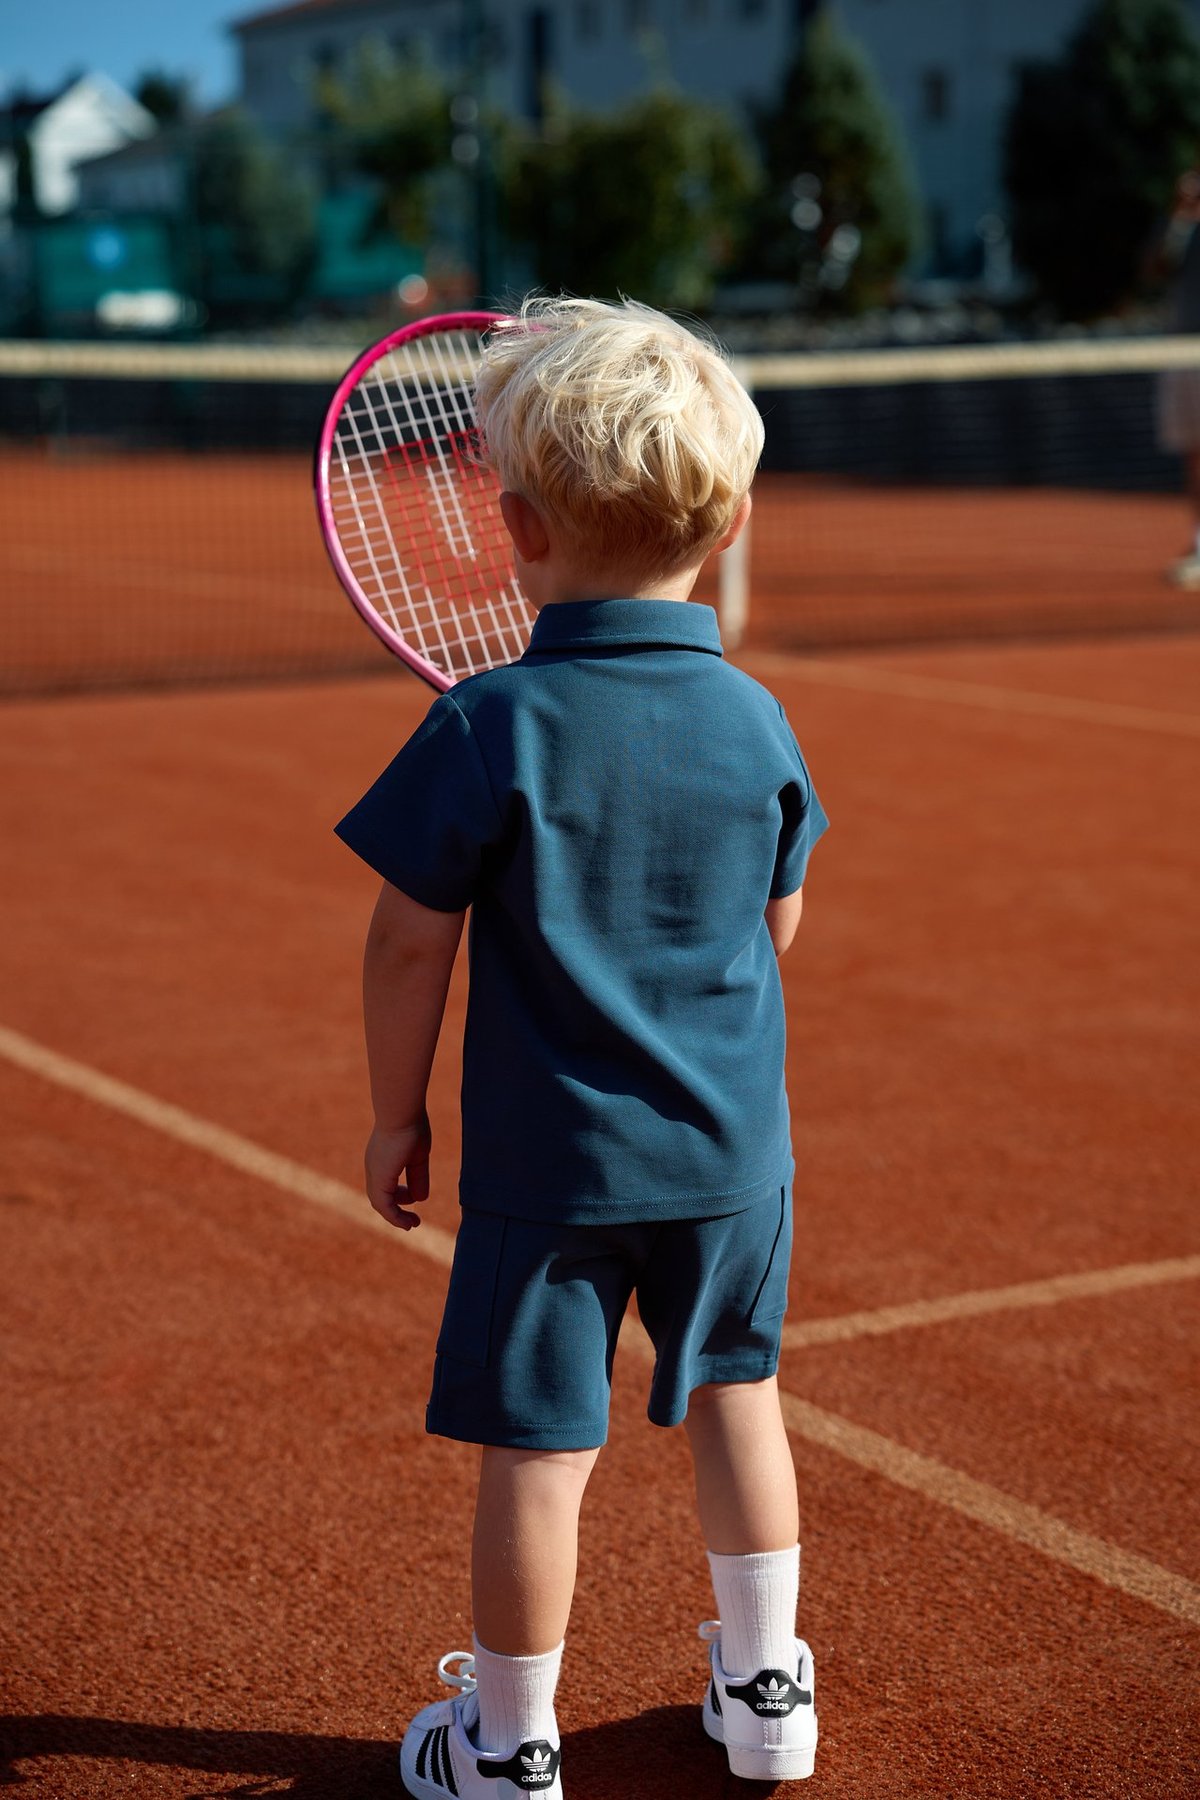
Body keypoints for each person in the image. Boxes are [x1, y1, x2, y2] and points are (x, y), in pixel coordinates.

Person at [334, 296, 828, 1799]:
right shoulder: (759, 721)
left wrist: (393, 1113)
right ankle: (768, 1700)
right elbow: (777, 923)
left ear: (517, 527)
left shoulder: (492, 724)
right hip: (734, 1161)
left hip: (556, 1173)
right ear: (731, 520)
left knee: (541, 1457)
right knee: (740, 1396)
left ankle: (508, 1742)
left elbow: (410, 940)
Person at [1156, 166, 1200, 587]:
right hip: (1181, 350)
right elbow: (1153, 271)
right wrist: (1180, 221)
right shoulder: (1180, 225)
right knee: (1194, 452)